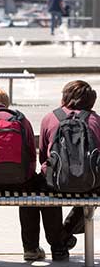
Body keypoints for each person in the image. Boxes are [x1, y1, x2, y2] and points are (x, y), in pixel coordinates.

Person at [0, 87, 67, 262]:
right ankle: (30, 248)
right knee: (33, 191)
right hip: (19, 181)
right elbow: (31, 156)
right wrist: (27, 177)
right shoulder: (21, 120)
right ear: (6, 104)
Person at [40, 80, 100, 251]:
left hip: (56, 183)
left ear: (65, 97)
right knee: (94, 190)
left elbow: (43, 156)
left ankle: (56, 242)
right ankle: (66, 231)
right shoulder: (96, 120)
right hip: (91, 184)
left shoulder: (50, 118)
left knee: (44, 189)